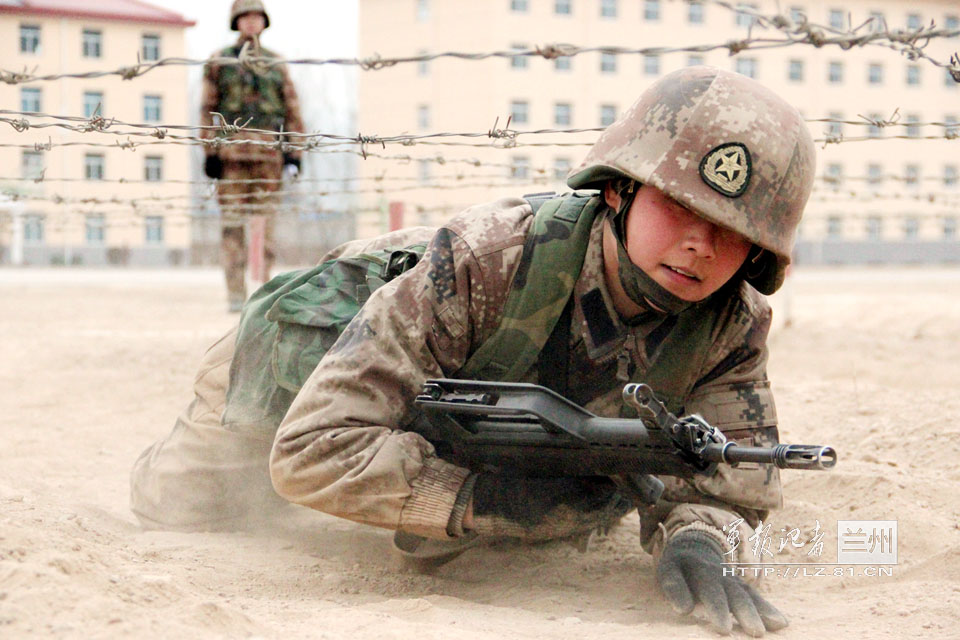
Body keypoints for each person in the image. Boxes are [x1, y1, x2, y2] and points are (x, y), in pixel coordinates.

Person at [132, 66, 816, 636]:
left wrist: (700, 540)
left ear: (760, 251)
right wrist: (491, 502)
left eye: (730, 229)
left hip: (460, 404)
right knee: (182, 503)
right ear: (619, 189)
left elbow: (733, 484)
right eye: (679, 207)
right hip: (312, 342)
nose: (700, 244)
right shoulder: (486, 261)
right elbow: (312, 448)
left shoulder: (731, 325)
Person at [200, 0, 305, 312]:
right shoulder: (220, 61)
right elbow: (207, 109)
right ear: (236, 22)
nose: (250, 22)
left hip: (268, 158)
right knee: (232, 228)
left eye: (256, 17)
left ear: (264, 22)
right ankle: (235, 294)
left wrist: (294, 152)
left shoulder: (276, 63)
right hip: (231, 159)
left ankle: (262, 291)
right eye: (244, 17)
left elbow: (291, 109)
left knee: (266, 230)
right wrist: (210, 150)